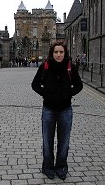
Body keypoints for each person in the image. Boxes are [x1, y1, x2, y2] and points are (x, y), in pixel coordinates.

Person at [31, 42, 83, 180]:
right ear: (52, 53)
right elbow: (34, 84)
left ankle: (61, 168)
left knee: (64, 142)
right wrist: (45, 93)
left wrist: (69, 93)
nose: (59, 54)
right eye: (56, 52)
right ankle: (47, 168)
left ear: (65, 53)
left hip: (65, 111)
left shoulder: (70, 67)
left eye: (61, 52)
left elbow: (79, 85)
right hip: (48, 110)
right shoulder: (45, 66)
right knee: (47, 142)